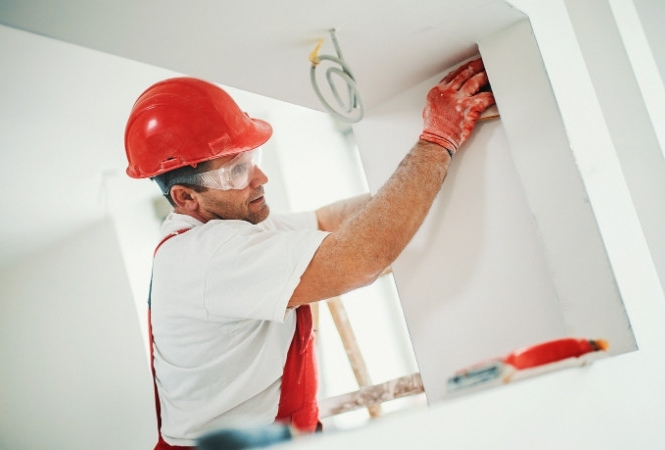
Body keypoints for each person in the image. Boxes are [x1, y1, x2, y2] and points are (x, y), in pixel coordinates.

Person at [124, 57, 494, 449]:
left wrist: (424, 176)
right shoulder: (209, 257)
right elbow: (359, 259)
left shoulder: (230, 230)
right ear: (185, 198)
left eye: (254, 160)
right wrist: (437, 142)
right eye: (236, 172)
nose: (260, 179)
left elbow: (329, 220)